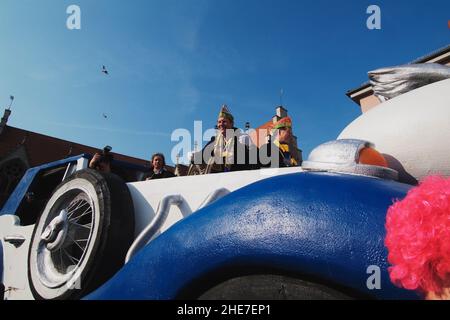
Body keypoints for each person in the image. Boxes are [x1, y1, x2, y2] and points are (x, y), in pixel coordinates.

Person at [198, 105, 257, 172]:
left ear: (231, 124)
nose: (221, 124)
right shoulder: (214, 140)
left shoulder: (242, 137)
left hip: (240, 176)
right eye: (219, 122)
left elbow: (256, 156)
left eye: (224, 122)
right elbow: (201, 155)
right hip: (221, 178)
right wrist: (193, 156)